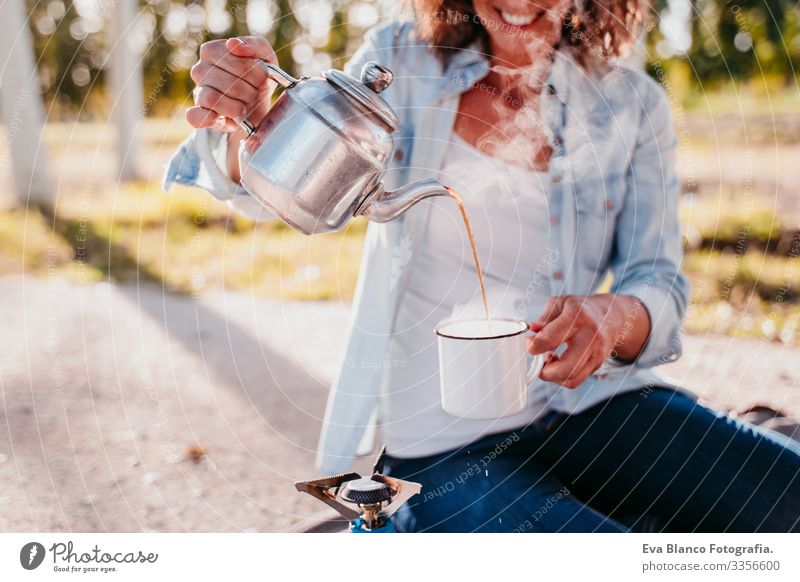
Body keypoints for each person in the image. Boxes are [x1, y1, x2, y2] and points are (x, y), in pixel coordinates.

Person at [164, 0, 800, 532]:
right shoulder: (400, 61)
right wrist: (243, 119)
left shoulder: (633, 106)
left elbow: (657, 280)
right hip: (439, 445)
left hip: (593, 406)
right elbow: (273, 174)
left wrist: (617, 318)